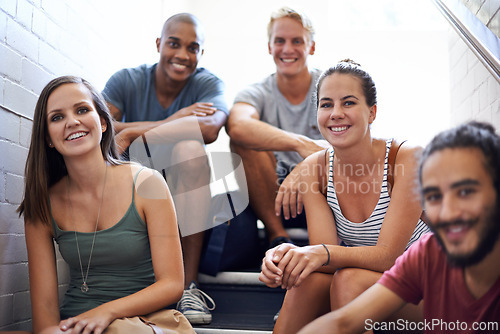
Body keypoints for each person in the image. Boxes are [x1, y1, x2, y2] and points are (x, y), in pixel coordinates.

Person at [260, 60, 430, 332]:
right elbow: (324, 259)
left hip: (437, 289)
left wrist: (318, 253)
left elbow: (388, 257)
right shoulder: (314, 169)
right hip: (375, 290)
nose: (336, 113)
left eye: (348, 103)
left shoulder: (408, 158)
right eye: (326, 104)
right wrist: (290, 255)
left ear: (372, 112)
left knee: (348, 280)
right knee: (310, 281)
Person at [18, 76, 192, 333]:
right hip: (77, 326)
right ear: (48, 139)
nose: (72, 121)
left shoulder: (147, 183)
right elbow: (44, 312)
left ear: (101, 122)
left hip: (147, 323)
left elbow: (172, 284)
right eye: (57, 117)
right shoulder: (42, 205)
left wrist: (105, 313)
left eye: (82, 110)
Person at [298, 121, 500, 334]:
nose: (447, 211)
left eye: (465, 192)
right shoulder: (428, 254)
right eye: (434, 196)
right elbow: (344, 323)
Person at [102, 13, 227, 325]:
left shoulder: (208, 83)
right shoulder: (127, 80)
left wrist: (131, 131)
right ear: (159, 44)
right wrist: (173, 121)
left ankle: (189, 286)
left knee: (191, 149)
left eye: (193, 47)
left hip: (184, 189)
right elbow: (105, 127)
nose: (183, 55)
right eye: (174, 44)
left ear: (200, 53)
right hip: (133, 186)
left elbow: (210, 128)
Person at [226, 7, 328, 248]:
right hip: (272, 195)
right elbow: (238, 126)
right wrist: (300, 143)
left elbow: (356, 139)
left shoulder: (331, 85)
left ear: (311, 47)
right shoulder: (256, 92)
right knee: (242, 140)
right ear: (270, 46)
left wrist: (303, 169)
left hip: (324, 190)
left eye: (297, 41)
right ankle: (277, 235)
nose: (287, 49)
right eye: (280, 41)